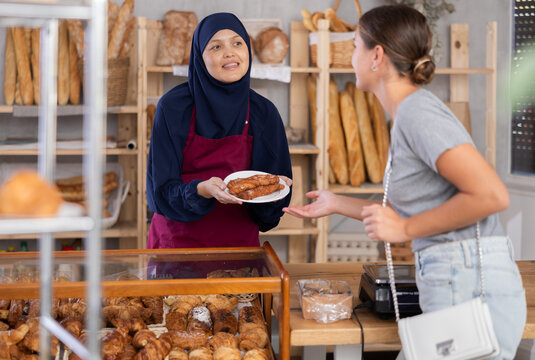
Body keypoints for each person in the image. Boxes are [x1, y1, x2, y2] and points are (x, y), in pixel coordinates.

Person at [283, 5, 526, 359]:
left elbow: (491, 195)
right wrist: (337, 203)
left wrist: (406, 227)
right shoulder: (408, 115)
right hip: (458, 281)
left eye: (355, 46)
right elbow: (418, 208)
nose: (352, 58)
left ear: (376, 56)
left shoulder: (417, 113)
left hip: (470, 285)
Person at [147, 12, 292, 250]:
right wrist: (201, 190)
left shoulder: (263, 113)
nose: (230, 53)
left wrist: (276, 192)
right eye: (215, 46)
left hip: (238, 250)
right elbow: (159, 193)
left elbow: (270, 217)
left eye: (237, 43)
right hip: (176, 248)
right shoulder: (173, 107)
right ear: (199, 57)